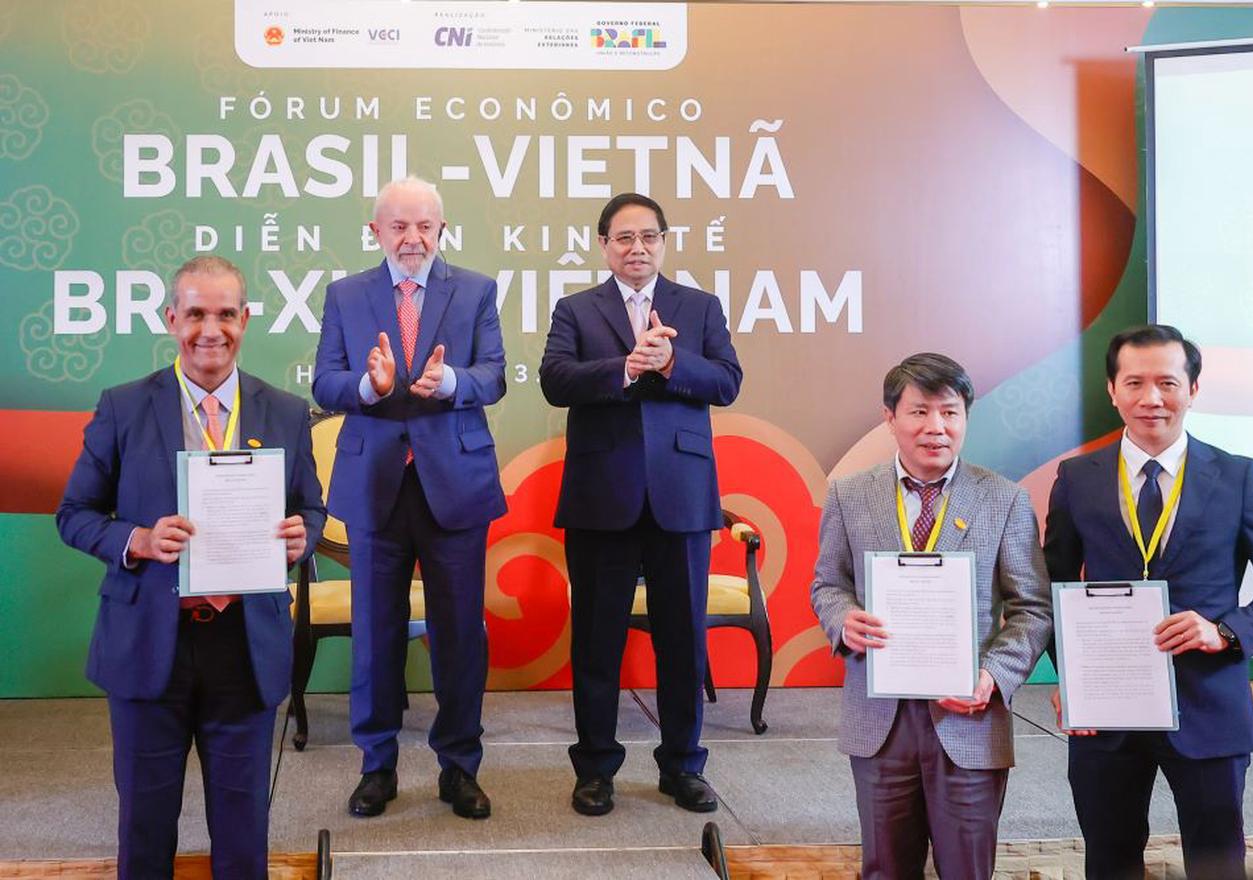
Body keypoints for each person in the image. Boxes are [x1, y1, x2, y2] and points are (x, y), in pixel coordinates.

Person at [56, 256, 325, 879]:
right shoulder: (123, 407)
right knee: (145, 827)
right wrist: (138, 539)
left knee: (243, 830)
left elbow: (310, 507)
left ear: (245, 319)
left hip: (245, 646)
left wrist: (302, 536)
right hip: (149, 643)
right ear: (171, 319)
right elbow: (74, 514)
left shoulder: (286, 411)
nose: (211, 330)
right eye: (196, 313)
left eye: (226, 314)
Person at [1044, 324, 1253, 880]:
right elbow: (1053, 585)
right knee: (1109, 861)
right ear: (1112, 390)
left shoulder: (1238, 477)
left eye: (1167, 382)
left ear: (1192, 389)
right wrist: (1072, 678)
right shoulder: (1077, 479)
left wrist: (1226, 631)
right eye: (1134, 382)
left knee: (1217, 863)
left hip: (1208, 705)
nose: (1151, 398)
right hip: (1107, 713)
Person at [810, 353, 1052, 880]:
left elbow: (1032, 608)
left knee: (968, 869)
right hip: (881, 719)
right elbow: (828, 584)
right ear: (890, 417)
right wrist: (843, 619)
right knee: (886, 868)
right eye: (919, 412)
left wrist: (994, 676)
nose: (936, 427)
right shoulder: (850, 495)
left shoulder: (1005, 499)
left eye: (950, 412)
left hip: (969, 716)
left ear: (965, 417)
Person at [539, 192, 742, 816]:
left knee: (682, 642)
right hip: (602, 495)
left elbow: (727, 382)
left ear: (663, 242)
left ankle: (682, 766)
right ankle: (595, 769)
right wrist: (624, 368)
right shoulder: (576, 309)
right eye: (624, 238)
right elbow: (554, 381)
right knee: (596, 642)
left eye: (648, 236)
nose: (637, 248)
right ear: (604, 245)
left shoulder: (699, 307)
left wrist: (673, 361)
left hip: (681, 494)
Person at [312, 176, 506, 820]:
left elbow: (494, 375)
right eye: (399, 226)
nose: (413, 238)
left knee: (459, 634)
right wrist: (368, 388)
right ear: (376, 232)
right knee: (375, 633)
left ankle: (460, 767)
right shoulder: (346, 295)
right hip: (376, 485)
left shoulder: (475, 290)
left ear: (441, 230)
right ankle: (377, 766)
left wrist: (451, 380)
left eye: (424, 226)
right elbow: (325, 381)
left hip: (455, 485)